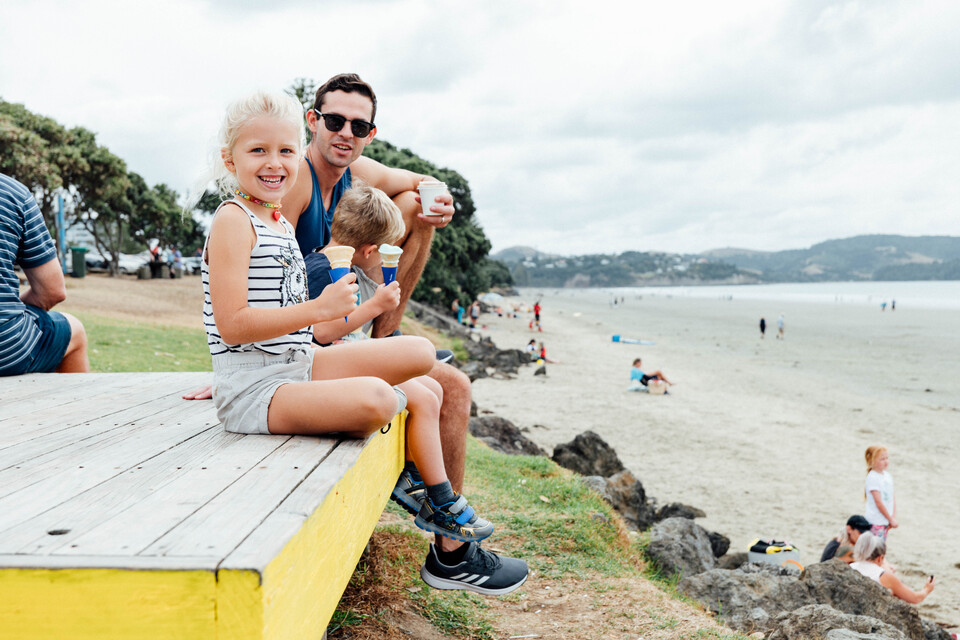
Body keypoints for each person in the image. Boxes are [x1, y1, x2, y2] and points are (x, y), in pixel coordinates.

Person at [303, 181, 527, 593]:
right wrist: (376, 307)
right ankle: (440, 498)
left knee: (431, 389)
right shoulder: (327, 271)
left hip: (341, 365)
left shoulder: (338, 266)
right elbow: (321, 332)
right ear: (369, 251)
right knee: (423, 389)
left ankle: (426, 487)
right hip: (324, 372)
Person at [0, 173, 89, 376]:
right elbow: (52, 291)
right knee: (74, 330)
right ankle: (74, 406)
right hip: (5, 350)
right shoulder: (13, 193)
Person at [850, 533, 934, 604]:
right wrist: (927, 589)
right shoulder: (883, 575)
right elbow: (915, 598)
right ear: (880, 558)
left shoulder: (850, 567)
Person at [864, 446, 896, 540]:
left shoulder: (887, 476)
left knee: (881, 548)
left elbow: (892, 497)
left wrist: (893, 517)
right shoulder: (872, 477)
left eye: (887, 458)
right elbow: (878, 502)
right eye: (882, 459)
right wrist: (890, 519)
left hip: (885, 521)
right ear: (872, 461)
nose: (886, 461)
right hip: (876, 522)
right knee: (876, 549)